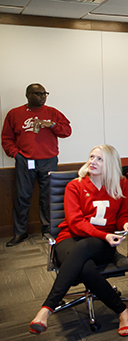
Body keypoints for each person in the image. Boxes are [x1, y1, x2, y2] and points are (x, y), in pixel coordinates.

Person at [28, 145, 128, 336]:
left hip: (101, 243)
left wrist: (127, 224)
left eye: (99, 159)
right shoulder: (75, 185)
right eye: (92, 157)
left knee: (85, 250)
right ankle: (122, 311)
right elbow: (75, 223)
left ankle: (46, 309)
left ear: (110, 163)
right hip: (70, 238)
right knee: (84, 267)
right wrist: (105, 235)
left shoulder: (121, 183)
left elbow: (124, 214)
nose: (93, 161)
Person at [2, 83, 72, 247]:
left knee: (48, 197)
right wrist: (16, 154)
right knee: (22, 196)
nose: (42, 96)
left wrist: (52, 124)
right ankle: (20, 232)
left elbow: (67, 131)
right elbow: (6, 138)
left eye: (44, 93)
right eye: (38, 93)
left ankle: (48, 230)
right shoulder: (14, 113)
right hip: (25, 161)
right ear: (28, 95)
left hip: (48, 160)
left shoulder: (52, 113)